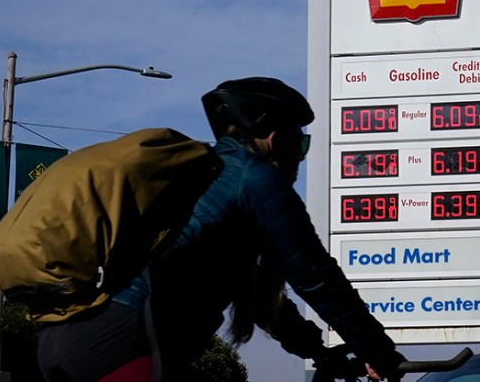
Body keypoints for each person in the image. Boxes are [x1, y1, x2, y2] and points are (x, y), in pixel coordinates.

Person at [38, 76, 404, 381]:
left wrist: (317, 352)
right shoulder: (256, 180)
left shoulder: (206, 179)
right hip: (125, 343)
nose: (301, 155)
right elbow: (316, 277)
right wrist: (379, 350)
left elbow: (262, 297)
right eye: (301, 142)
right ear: (276, 139)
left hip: (64, 339)